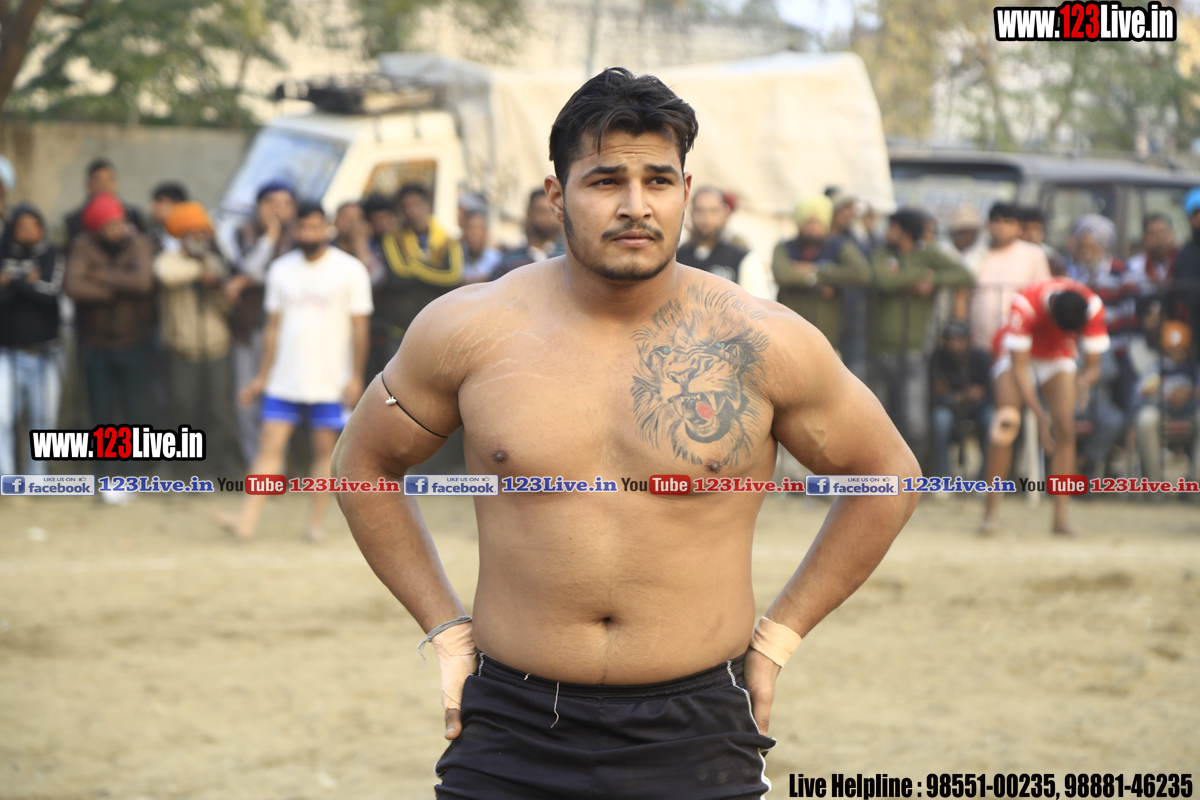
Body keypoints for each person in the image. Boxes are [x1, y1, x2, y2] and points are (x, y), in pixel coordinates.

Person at [332, 66, 919, 800]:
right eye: (606, 180)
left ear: (685, 191)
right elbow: (362, 463)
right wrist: (445, 630)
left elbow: (888, 476)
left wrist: (778, 639)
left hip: (697, 724)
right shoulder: (471, 329)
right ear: (557, 197)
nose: (636, 206)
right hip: (511, 722)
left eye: (658, 181)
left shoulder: (759, 341)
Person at [219, 202, 371, 541]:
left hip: (331, 381)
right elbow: (272, 326)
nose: (309, 234)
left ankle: (314, 525)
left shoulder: (351, 271)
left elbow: (360, 328)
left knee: (325, 453)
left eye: (315, 227)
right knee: (268, 446)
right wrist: (262, 377)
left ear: (327, 228)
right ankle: (246, 521)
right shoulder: (280, 269)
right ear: (296, 229)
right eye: (303, 227)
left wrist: (356, 377)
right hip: (284, 380)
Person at [981, 277, 1109, 535]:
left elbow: (1094, 368)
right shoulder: (1025, 305)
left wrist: (1080, 383)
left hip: (1057, 355)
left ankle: (1060, 517)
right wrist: (1040, 414)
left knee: (1065, 427)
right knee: (1007, 421)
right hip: (1018, 354)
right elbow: (1019, 368)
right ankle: (990, 511)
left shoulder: (1092, 307)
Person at [867, 207, 974, 462]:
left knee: (914, 423)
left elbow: (965, 274)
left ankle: (912, 474)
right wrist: (919, 275)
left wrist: (933, 280)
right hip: (879, 351)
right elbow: (882, 281)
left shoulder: (929, 255)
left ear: (905, 232)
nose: (886, 232)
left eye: (892, 228)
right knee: (876, 421)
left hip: (913, 351)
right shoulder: (881, 254)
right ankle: (877, 474)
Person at [153, 202, 237, 478]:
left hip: (216, 350)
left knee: (217, 414)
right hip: (182, 352)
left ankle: (213, 470)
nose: (200, 237)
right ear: (182, 235)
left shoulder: (215, 262)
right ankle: (183, 471)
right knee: (183, 413)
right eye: (195, 233)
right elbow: (165, 275)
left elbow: (227, 308)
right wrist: (200, 273)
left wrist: (219, 289)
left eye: (203, 232)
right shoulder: (169, 260)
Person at [64, 193, 156, 429]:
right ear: (97, 229)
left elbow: (143, 283)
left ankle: (135, 454)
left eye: (120, 223)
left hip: (135, 343)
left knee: (136, 411)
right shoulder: (83, 245)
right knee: (101, 413)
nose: (119, 230)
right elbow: (73, 286)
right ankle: (105, 454)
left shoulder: (138, 243)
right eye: (111, 226)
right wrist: (116, 290)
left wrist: (100, 274)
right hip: (96, 347)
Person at [222, 179, 297, 468]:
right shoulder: (242, 233)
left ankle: (278, 462)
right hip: (250, 329)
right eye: (272, 203)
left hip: (289, 333)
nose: (279, 210)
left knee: (280, 400)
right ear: (259, 206)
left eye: (285, 203)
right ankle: (256, 465)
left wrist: (246, 282)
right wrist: (270, 236)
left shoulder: (300, 236)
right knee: (247, 398)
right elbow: (249, 266)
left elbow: (289, 279)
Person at [367, 183, 463, 380]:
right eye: (406, 206)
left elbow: (453, 278)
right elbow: (398, 274)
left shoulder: (448, 241)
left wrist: (414, 265)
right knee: (393, 385)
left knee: (432, 384)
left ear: (428, 205)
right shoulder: (392, 238)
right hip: (398, 330)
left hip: (436, 330)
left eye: (416, 204)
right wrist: (433, 270)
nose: (412, 211)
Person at [0, 205, 64, 475]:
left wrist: (13, 283)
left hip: (45, 353)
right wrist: (29, 282)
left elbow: (50, 296)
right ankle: (6, 479)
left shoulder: (51, 255)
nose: (27, 231)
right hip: (6, 353)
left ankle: (36, 479)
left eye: (33, 226)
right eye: (21, 226)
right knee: (2, 419)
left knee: (43, 421)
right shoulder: (2, 253)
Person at [771, 194, 872, 350]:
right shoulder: (784, 247)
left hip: (827, 338)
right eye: (808, 222)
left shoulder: (839, 246)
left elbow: (862, 272)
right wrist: (821, 281)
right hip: (791, 335)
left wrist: (816, 270)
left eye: (817, 222)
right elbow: (783, 275)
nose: (813, 228)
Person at [968, 202, 1051, 355]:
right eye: (997, 221)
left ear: (1019, 227)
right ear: (988, 225)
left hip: (1019, 344)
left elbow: (1043, 294)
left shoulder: (1033, 254)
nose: (1001, 227)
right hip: (979, 344)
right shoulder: (975, 255)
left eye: (1008, 222)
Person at [1133, 320, 1200, 485]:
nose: (1176, 354)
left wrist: (1188, 394)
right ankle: (1155, 482)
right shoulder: (1156, 367)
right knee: (1146, 419)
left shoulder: (1193, 368)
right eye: (1172, 350)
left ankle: (1196, 479)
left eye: (1181, 350)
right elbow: (1139, 393)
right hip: (1162, 411)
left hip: (1190, 412)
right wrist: (1164, 394)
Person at [676, 185, 772, 299]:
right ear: (691, 213)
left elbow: (757, 305)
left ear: (725, 213)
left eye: (714, 211)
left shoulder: (743, 259)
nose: (707, 218)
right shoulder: (677, 258)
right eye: (700, 211)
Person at [929, 320, 993, 481]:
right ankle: (942, 479)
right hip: (949, 409)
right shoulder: (938, 358)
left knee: (991, 419)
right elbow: (937, 395)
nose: (954, 345)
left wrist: (959, 396)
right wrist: (964, 395)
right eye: (950, 340)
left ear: (968, 340)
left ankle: (985, 479)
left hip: (978, 409)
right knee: (940, 420)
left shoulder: (982, 358)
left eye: (959, 340)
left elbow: (989, 393)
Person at [63, 159, 146, 245]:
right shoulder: (75, 221)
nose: (104, 184)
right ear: (89, 184)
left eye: (109, 179)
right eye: (99, 180)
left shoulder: (132, 216)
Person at [491, 188, 565, 279]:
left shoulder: (568, 258)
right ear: (529, 213)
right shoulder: (509, 262)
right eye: (541, 211)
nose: (547, 217)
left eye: (552, 211)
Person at [1125, 212, 1176, 299]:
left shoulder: (1184, 262)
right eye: (1153, 233)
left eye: (1163, 232)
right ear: (1144, 238)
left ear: (1172, 234)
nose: (1160, 238)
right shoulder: (1134, 266)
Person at [460, 209, 502, 284]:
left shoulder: (496, 260)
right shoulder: (455, 258)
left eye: (478, 228)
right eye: (470, 228)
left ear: (485, 232)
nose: (474, 233)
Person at [147, 181, 189, 254]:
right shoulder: (149, 238)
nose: (153, 207)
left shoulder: (195, 235)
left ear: (177, 204)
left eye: (160, 201)